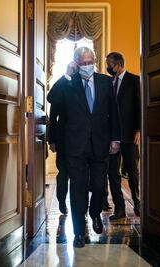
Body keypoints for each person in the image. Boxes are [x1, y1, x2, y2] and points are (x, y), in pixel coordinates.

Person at [48, 47, 120, 248]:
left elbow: (114, 112)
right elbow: (51, 98)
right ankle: (79, 232)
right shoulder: (69, 83)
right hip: (75, 145)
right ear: (76, 63)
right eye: (83, 62)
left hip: (100, 143)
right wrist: (66, 75)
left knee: (98, 185)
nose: (87, 65)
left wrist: (115, 139)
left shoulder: (106, 82)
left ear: (95, 61)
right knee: (78, 188)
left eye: (91, 61)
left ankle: (95, 212)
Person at [105, 52, 141, 220]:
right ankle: (119, 209)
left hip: (129, 135)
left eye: (109, 65)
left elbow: (139, 105)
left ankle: (137, 203)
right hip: (112, 136)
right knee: (112, 173)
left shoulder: (134, 80)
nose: (108, 68)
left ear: (118, 64)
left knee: (132, 171)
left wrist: (139, 130)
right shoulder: (108, 83)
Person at [47, 89, 69, 215]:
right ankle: (61, 201)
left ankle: (82, 206)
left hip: (82, 139)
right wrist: (52, 140)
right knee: (63, 173)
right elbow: (53, 117)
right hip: (63, 139)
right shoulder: (61, 88)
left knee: (82, 175)